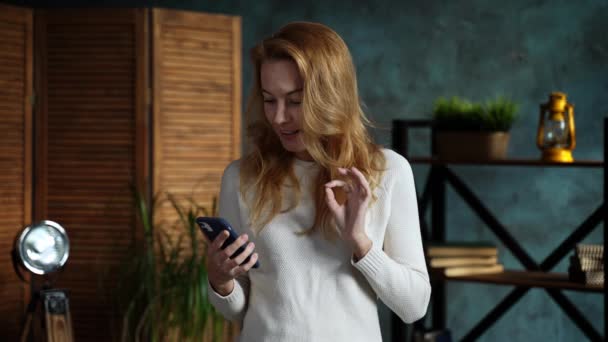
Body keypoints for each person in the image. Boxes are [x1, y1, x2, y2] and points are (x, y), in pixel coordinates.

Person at [205, 21, 430, 341]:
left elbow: (414, 305)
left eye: (295, 101)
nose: (279, 117)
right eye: (270, 100)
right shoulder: (241, 178)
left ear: (331, 96)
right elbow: (237, 309)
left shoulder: (388, 171)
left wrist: (361, 243)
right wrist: (221, 280)